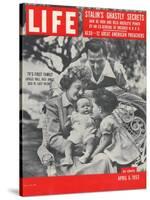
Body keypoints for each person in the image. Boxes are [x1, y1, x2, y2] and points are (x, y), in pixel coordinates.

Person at [37, 65, 91, 169]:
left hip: (87, 151)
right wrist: (75, 149)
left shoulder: (85, 103)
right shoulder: (53, 105)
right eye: (78, 88)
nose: (81, 93)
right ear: (67, 85)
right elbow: (54, 138)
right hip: (64, 155)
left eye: (84, 89)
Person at [91, 88, 140, 165]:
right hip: (126, 147)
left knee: (100, 159)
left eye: (93, 107)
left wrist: (94, 154)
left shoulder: (106, 122)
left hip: (120, 150)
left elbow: (106, 141)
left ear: (100, 109)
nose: (91, 109)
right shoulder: (111, 117)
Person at [62, 97, 97, 166]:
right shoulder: (75, 115)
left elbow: (96, 123)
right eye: (83, 106)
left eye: (88, 106)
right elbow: (68, 124)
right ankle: (68, 158)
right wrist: (68, 123)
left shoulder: (92, 116)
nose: (86, 108)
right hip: (76, 134)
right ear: (77, 109)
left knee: (91, 141)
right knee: (68, 143)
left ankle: (86, 156)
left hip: (88, 134)